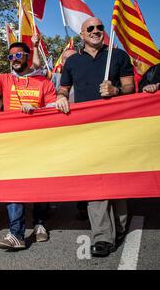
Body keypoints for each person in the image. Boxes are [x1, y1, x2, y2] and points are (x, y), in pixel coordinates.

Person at [56, 17, 135, 257]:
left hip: (115, 128)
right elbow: (64, 88)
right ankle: (102, 237)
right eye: (90, 28)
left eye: (100, 27)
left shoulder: (118, 56)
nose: (96, 31)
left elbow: (130, 86)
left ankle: (120, 226)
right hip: (87, 129)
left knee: (116, 179)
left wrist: (115, 90)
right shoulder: (73, 62)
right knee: (95, 182)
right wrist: (61, 97)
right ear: (82, 34)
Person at [0, 41, 57, 250]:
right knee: (12, 184)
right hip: (12, 143)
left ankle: (40, 224)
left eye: (18, 56)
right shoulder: (4, 79)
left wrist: (37, 108)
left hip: (37, 142)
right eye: (11, 57)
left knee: (38, 184)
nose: (14, 60)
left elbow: (53, 110)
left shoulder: (44, 82)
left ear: (27, 56)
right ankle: (16, 233)